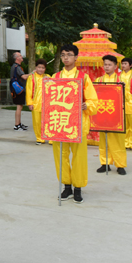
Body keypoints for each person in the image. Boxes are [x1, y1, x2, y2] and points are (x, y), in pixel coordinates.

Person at [51, 44, 98, 204]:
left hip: (78, 124)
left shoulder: (83, 78)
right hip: (59, 123)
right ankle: (67, 186)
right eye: (63, 54)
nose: (65, 57)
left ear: (76, 57)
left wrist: (87, 105)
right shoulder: (55, 77)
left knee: (79, 158)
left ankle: (78, 188)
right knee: (61, 156)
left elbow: (93, 100)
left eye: (69, 54)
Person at [95, 55, 128, 175]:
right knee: (103, 140)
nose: (107, 67)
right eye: (105, 65)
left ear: (115, 66)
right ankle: (105, 163)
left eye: (109, 65)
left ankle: (120, 165)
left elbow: (127, 96)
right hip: (102, 114)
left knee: (118, 141)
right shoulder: (98, 80)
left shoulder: (120, 80)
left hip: (116, 114)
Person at [26, 58, 49, 145]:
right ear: (36, 67)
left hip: (46, 104)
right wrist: (30, 103)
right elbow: (28, 91)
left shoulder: (47, 77)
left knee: (47, 121)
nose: (41, 69)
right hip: (35, 104)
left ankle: (50, 138)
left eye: (43, 68)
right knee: (37, 122)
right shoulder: (31, 77)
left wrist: (50, 80)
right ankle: (39, 138)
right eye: (39, 67)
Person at [10, 52, 29, 131]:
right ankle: (17, 125)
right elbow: (24, 77)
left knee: (20, 106)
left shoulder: (15, 66)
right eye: (20, 56)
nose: (22, 57)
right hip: (18, 90)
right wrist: (33, 73)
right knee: (19, 106)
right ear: (17, 58)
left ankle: (19, 123)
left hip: (16, 89)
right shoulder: (16, 67)